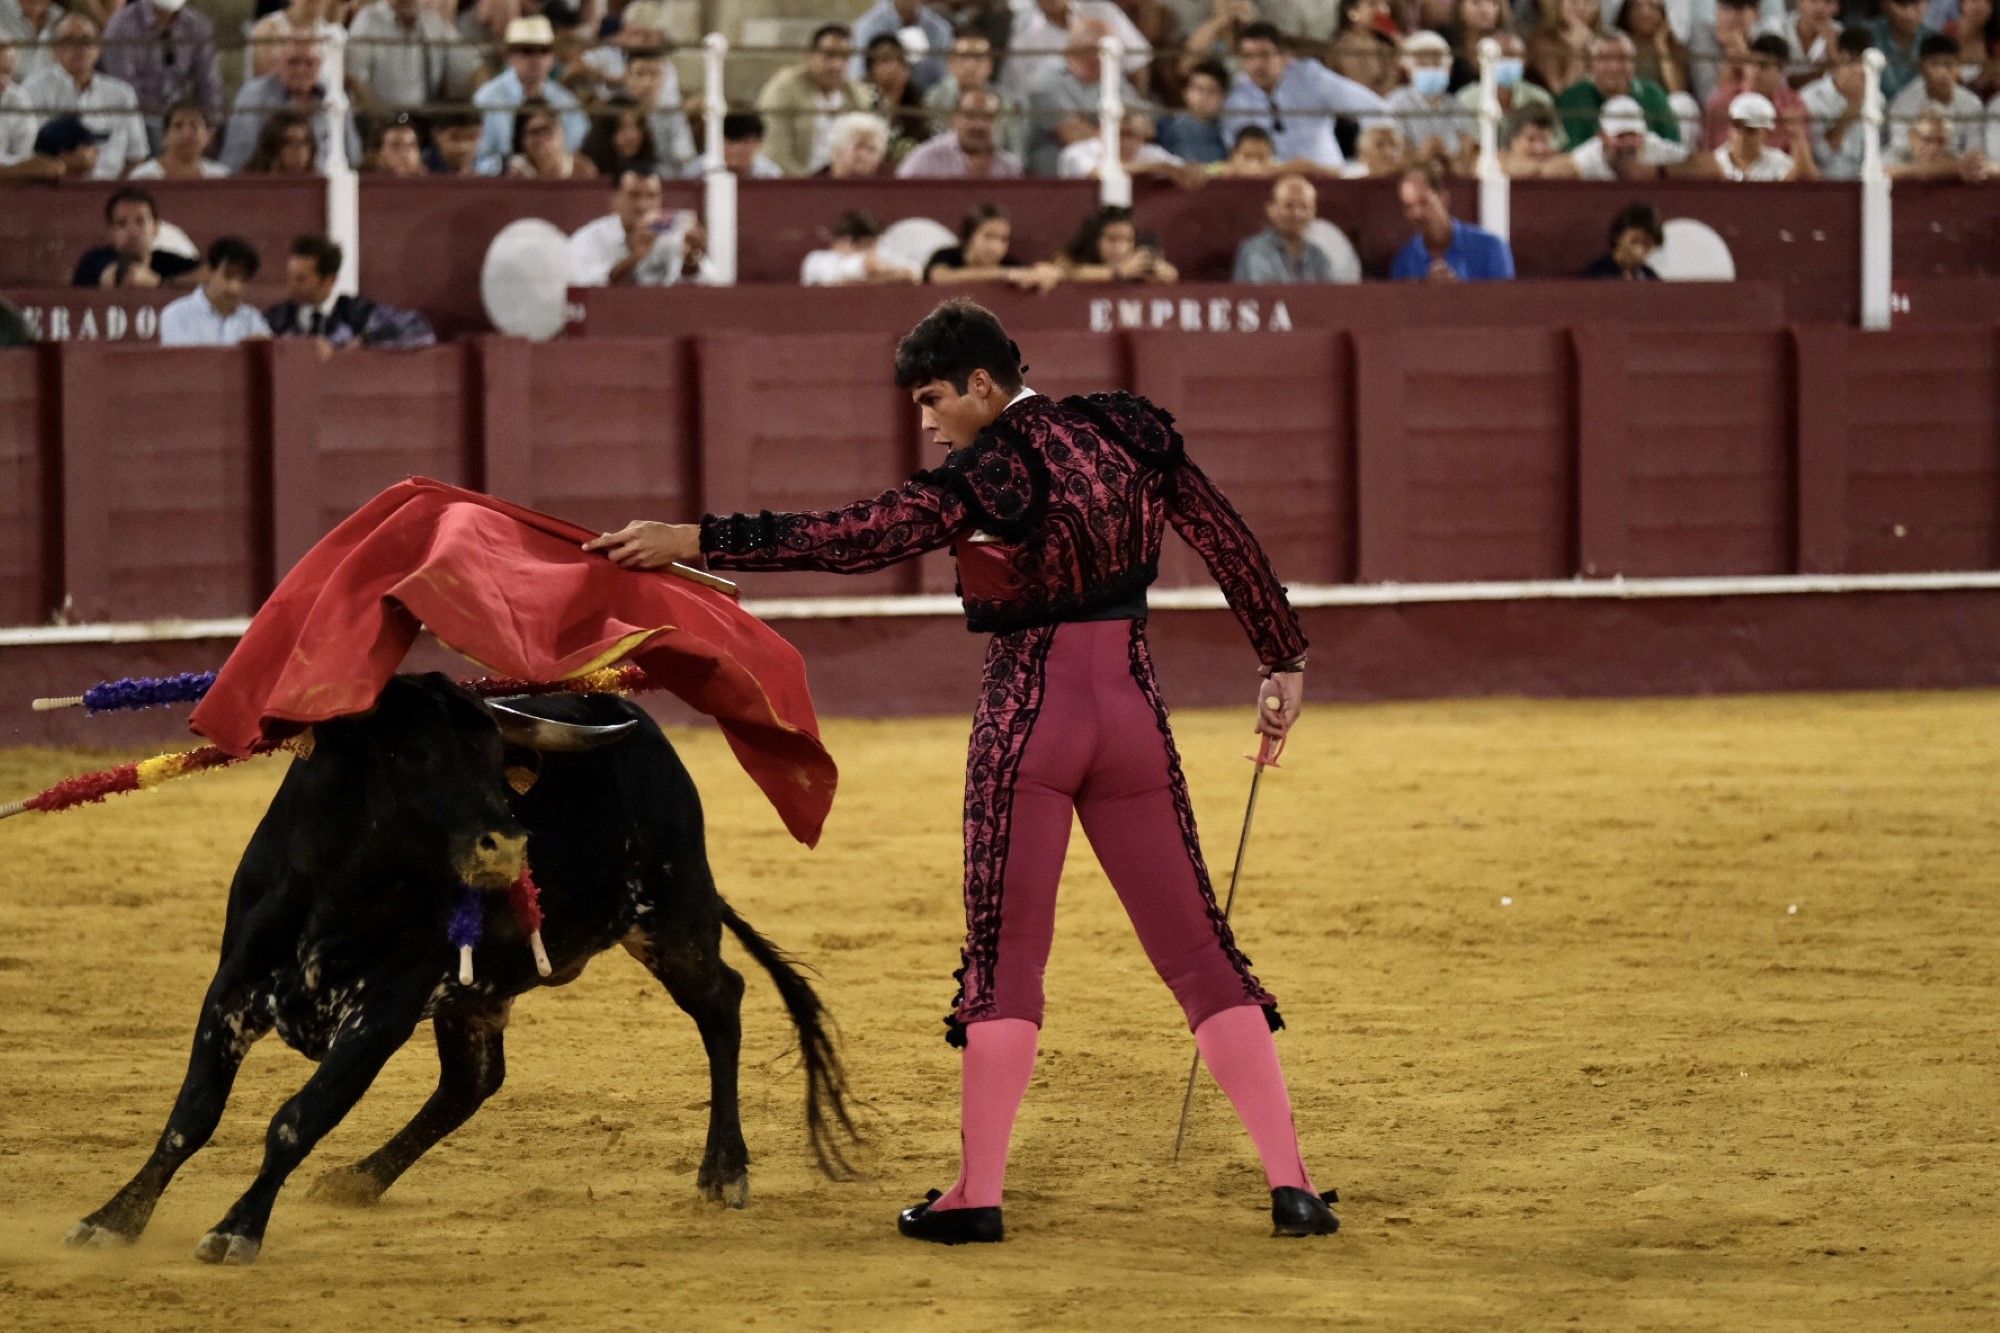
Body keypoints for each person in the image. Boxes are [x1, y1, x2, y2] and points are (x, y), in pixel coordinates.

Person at [581, 298, 1331, 1246]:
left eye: (934, 400)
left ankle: (977, 1192)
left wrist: (694, 539)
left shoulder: (988, 474)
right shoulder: (1126, 432)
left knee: (1005, 959)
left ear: (983, 384)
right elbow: (1226, 538)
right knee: (1197, 949)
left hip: (1030, 718)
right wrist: (1283, 658)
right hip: (1134, 710)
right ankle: (1293, 1184)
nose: (927, 423)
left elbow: (851, 536)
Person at [1222, 20, 1389, 171]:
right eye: (1248, 57)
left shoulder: (1311, 77)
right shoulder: (1235, 96)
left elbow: (1374, 108)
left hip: (1328, 178)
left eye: (1265, 55)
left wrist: (1370, 153)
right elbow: (1236, 155)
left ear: (1283, 56)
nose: (1257, 64)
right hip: (1272, 187)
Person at [18, 15, 146, 178]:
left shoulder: (122, 94)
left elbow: (136, 157)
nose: (79, 47)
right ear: (54, 50)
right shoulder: (31, 92)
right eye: (68, 40)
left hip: (109, 190)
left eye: (86, 40)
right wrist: (63, 165)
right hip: (51, 190)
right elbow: (21, 154)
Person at [263, 234, 437, 348]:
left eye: (301, 279)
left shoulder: (359, 313)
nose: (292, 285)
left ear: (329, 280)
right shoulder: (278, 318)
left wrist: (363, 342)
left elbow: (420, 330)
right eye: (290, 277)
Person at [1023, 17, 1143, 176]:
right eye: (1105, 49)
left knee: (1154, 156)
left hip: (1114, 163)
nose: (1113, 54)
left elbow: (1143, 123)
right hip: (1057, 178)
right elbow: (1073, 134)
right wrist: (1124, 136)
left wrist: (1131, 130)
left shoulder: (1113, 74)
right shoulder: (1044, 81)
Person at [220, 37, 360, 173]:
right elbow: (237, 159)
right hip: (269, 186)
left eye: (309, 63)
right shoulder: (253, 95)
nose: (300, 70)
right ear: (278, 63)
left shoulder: (334, 97)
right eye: (293, 62)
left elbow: (353, 155)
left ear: (320, 65)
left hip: (327, 186)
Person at [97, 0, 221, 150]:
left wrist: (210, 125)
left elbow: (209, 82)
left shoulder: (197, 24)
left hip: (179, 113)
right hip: (139, 117)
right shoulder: (122, 25)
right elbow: (123, 90)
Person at [474, 17, 589, 176]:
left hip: (557, 183)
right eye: (527, 51)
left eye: (544, 50)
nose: (537, 59)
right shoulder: (487, 98)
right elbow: (478, 159)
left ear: (552, 57)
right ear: (509, 56)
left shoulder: (566, 100)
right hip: (503, 186)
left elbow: (576, 149)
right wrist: (506, 168)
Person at [755, 22, 873, 176]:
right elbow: (775, 152)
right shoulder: (783, 90)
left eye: (844, 57)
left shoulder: (858, 95)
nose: (836, 65)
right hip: (796, 185)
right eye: (829, 56)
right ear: (809, 56)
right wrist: (810, 186)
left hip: (845, 187)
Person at [568, 166, 711, 286]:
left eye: (651, 196)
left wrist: (691, 263)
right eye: (634, 195)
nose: (643, 206)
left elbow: (713, 283)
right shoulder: (589, 238)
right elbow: (582, 289)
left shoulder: (674, 234)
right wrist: (634, 259)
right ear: (615, 200)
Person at [1001, 0, 1152, 102]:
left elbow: (1138, 64)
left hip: (1117, 104)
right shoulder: (1024, 40)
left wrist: (1135, 111)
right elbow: (1019, 94)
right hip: (1059, 122)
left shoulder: (1104, 11)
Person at [346, 0, 480, 114]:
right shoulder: (369, 19)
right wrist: (384, 121)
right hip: (379, 121)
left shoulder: (432, 21)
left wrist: (484, 105)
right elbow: (356, 82)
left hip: (425, 121)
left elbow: (472, 67)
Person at [1554, 30, 1682, 146]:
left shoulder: (1653, 94)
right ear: (1590, 63)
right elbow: (1571, 153)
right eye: (1604, 59)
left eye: (1622, 58)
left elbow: (1673, 146)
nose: (1614, 67)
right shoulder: (1573, 98)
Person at [1389, 161, 1515, 279]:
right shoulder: (1404, 263)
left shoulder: (1492, 248)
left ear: (1444, 199)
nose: (1417, 213)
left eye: (1424, 202)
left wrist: (1456, 293)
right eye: (1408, 207)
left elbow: (1507, 301)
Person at [922, 28, 1024, 158]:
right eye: (963, 58)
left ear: (990, 65)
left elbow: (1017, 155)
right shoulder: (933, 99)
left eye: (978, 58)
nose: (970, 66)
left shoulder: (1008, 103)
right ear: (951, 63)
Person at [70, 186, 199, 288]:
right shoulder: (93, 260)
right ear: (111, 232)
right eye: (122, 223)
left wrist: (163, 283)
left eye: (140, 221)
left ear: (156, 228)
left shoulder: (166, 260)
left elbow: (209, 273)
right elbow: (125, 278)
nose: (132, 231)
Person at [160, 236, 272, 348]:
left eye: (243, 280)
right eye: (228, 276)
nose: (235, 288)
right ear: (209, 272)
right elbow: (184, 362)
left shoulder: (252, 319)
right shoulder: (176, 315)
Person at [924, 202, 1064, 290]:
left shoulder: (1008, 263)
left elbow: (1028, 273)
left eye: (1003, 239)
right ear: (970, 236)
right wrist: (1003, 274)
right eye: (989, 236)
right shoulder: (946, 255)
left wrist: (1044, 271)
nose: (996, 247)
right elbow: (940, 277)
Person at [1887, 32, 1986, 154]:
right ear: (1921, 67)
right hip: (1913, 168)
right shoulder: (1902, 103)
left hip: (1957, 170)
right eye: (1934, 64)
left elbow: (1974, 153)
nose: (1942, 73)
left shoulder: (1972, 105)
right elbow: (1900, 152)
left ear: (1959, 67)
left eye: (1948, 64)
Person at [1700, 32, 1804, 147]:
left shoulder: (1794, 106)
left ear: (1781, 72)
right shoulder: (1720, 104)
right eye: (1751, 63)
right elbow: (1709, 155)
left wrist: (1796, 135)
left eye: (1764, 66)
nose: (1755, 71)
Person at [1234, 173, 1343, 282]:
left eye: (1304, 207)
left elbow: (1330, 296)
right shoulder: (1254, 251)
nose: (1297, 214)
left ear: (1314, 212)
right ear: (1271, 209)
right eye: (1289, 206)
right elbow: (1258, 295)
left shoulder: (1318, 255)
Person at [1799, 27, 1874, 179]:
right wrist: (1850, 111)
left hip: (1865, 183)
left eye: (1869, 65)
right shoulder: (1810, 98)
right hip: (1825, 185)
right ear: (1842, 58)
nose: (1863, 71)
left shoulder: (1877, 98)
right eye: (1858, 63)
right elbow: (1821, 156)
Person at [899, 87, 1025, 175]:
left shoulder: (1009, 167)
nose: (979, 125)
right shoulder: (925, 158)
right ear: (955, 119)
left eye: (987, 117)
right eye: (971, 116)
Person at [1387, 29, 1470, 158]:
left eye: (1437, 63)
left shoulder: (1456, 105)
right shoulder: (1396, 103)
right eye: (1422, 63)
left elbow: (1466, 149)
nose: (1430, 68)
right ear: (1408, 69)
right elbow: (1397, 152)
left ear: (1448, 67)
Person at [1567, 91, 1688, 175]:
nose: (1629, 143)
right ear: (1603, 137)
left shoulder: (1656, 148)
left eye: (1633, 135)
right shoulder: (1588, 157)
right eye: (1621, 136)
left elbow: (1694, 163)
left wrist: (1659, 172)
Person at [1056, 107, 1193, 180]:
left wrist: (1197, 171)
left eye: (1132, 135)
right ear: (1100, 133)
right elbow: (1100, 174)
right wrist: (1159, 168)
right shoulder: (1076, 152)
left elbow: (1183, 169)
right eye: (1121, 134)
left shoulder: (1150, 153)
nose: (1126, 142)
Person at [1057, 204, 1180, 282]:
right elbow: (1066, 271)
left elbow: (1170, 274)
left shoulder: (1141, 257)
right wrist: (1119, 272)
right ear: (1095, 239)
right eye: (1112, 239)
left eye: (1128, 240)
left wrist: (1152, 269)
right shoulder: (1079, 253)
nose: (1120, 248)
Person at [851, 0, 957, 90]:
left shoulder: (941, 30)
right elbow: (857, 76)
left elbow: (947, 79)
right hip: (876, 100)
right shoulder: (866, 27)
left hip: (928, 105)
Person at [800, 210, 923, 286]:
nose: (871, 251)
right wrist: (885, 276)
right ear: (843, 242)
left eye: (873, 245)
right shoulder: (816, 260)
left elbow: (913, 272)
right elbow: (837, 282)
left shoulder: (882, 254)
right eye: (865, 246)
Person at [1712, 88, 1814, 177]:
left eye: (1751, 130)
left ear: (1767, 135)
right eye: (1738, 127)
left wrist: (1797, 136)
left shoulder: (1778, 163)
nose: (1742, 137)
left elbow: (1806, 179)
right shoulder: (1714, 163)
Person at [864, 31, 933, 153]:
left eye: (900, 60)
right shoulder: (861, 105)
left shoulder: (919, 109)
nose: (894, 66)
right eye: (885, 61)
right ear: (871, 70)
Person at [126, 100, 227, 178]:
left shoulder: (220, 176)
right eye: (178, 126)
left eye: (194, 126)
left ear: (208, 136)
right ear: (165, 136)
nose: (186, 134)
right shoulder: (143, 176)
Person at [1158, 57, 1231, 162]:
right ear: (1186, 93)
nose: (1204, 97)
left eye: (1212, 91)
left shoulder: (1224, 131)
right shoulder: (1171, 127)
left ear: (1223, 97)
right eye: (1199, 89)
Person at [1871, 0, 1944, 102]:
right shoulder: (1866, 36)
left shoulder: (1937, 41)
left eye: (1916, 4)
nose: (1909, 13)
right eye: (1902, 4)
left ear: (1928, 4)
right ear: (1885, 4)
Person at [682, 110, 786, 178]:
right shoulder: (697, 172)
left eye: (745, 142)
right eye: (730, 142)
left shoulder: (770, 175)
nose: (736, 149)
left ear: (759, 142)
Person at [507, 100, 597, 178]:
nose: (540, 139)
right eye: (533, 132)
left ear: (560, 131)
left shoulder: (582, 169)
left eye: (546, 131)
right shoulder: (518, 173)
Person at [1581, 199, 1664, 277]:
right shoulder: (1596, 275)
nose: (1638, 251)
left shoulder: (1650, 277)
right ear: (1618, 236)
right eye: (1634, 241)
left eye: (1647, 244)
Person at [580, 97, 659, 178]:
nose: (632, 135)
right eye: (623, 127)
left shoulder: (651, 171)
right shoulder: (587, 170)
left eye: (638, 126)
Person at [1503, 102, 1582, 174]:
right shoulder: (1495, 163)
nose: (1540, 149)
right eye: (1531, 139)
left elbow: (1573, 166)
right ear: (1513, 139)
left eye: (1544, 141)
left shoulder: (1556, 159)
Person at [241, 107, 319, 175]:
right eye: (290, 142)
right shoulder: (246, 184)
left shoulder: (318, 185)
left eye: (304, 142)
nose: (299, 150)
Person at [819, 110, 892, 177]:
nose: (863, 155)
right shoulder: (813, 185)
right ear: (836, 150)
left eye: (871, 149)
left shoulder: (889, 187)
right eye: (858, 146)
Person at [425, 107, 482, 175]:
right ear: (436, 135)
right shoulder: (423, 172)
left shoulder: (488, 170)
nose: (463, 148)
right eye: (455, 138)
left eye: (471, 137)